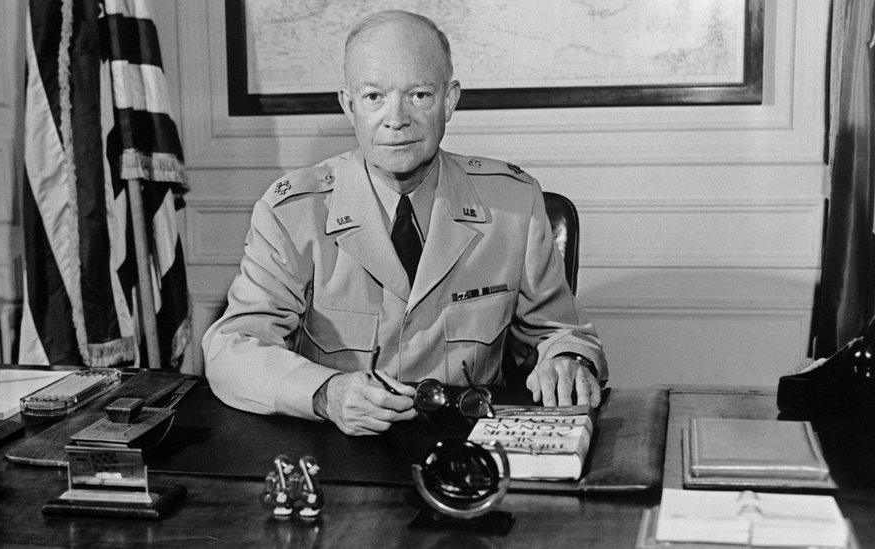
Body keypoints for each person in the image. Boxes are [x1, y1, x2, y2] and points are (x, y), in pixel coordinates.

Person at [203, 10, 607, 436]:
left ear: (449, 101)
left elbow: (561, 332)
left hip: (467, 446)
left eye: (418, 95)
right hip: (339, 449)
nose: (396, 119)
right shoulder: (293, 213)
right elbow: (233, 349)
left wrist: (567, 360)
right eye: (374, 97)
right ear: (348, 103)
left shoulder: (513, 204)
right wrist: (326, 393)